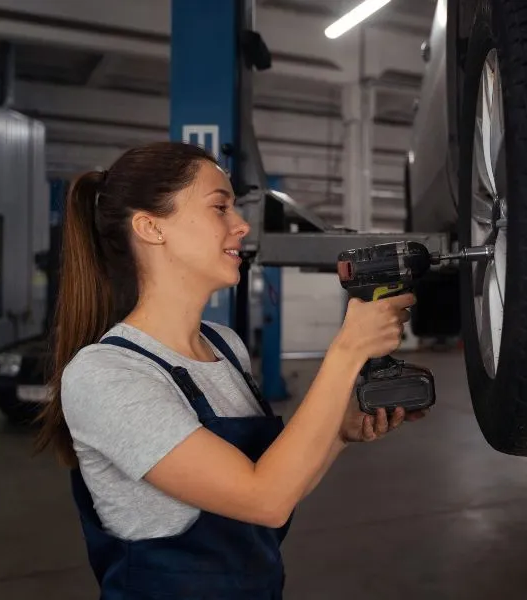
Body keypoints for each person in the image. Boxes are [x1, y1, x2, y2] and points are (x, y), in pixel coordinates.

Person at [35, 141, 426, 599]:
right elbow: (265, 500)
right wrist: (346, 350)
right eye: (220, 207)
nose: (241, 225)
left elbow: (278, 486)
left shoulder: (225, 346)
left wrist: (337, 433)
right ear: (150, 227)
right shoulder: (106, 375)